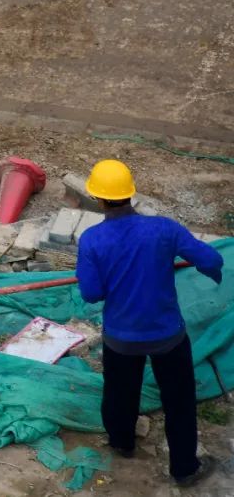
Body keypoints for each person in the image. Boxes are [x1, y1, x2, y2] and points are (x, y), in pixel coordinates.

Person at [76, 159, 223, 488]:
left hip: (120, 340)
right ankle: (185, 468)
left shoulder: (92, 240)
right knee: (180, 402)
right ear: (131, 195)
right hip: (167, 336)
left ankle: (122, 442)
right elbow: (211, 259)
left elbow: (91, 293)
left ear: (98, 199)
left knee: (119, 394)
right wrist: (210, 272)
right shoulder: (164, 230)